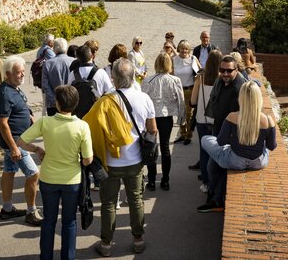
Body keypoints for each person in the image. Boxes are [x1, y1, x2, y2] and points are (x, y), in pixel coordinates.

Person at [84, 58, 156, 256]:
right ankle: (138, 240)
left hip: (110, 162)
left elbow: (88, 126)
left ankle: (106, 244)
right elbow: (152, 130)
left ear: (113, 79)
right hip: (135, 161)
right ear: (133, 77)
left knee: (108, 203)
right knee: (136, 200)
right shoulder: (145, 99)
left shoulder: (105, 101)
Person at [18, 85, 93, 260]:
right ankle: (68, 257)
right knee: (69, 221)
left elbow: (21, 141)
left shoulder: (45, 122)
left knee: (49, 220)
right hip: (72, 181)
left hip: (48, 178)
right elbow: (88, 159)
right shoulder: (82, 126)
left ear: (57, 104)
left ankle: (46, 257)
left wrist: (37, 149)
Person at [198, 81, 276, 213]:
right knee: (262, 148)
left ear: (241, 98)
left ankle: (212, 191)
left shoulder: (232, 117)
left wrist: (235, 138)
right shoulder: (268, 120)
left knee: (206, 139)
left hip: (234, 160)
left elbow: (221, 141)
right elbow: (271, 146)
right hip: (258, 162)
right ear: (259, 98)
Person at [0, 56, 43, 226]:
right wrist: (14, 147)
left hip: (17, 140)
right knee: (33, 174)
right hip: (15, 142)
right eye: (18, 72)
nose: (22, 75)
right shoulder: (4, 93)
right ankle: (31, 212)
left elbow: (17, 107)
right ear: (8, 74)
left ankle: (7, 209)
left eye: (23, 71)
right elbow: (2, 123)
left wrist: (27, 115)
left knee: (9, 170)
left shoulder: (13, 88)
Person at [140, 52, 184, 191]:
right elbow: (181, 100)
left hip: (151, 117)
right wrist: (182, 118)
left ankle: (152, 180)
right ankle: (165, 180)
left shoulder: (148, 80)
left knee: (151, 147)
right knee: (165, 147)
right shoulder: (174, 80)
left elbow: (142, 99)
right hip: (166, 117)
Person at [190, 49, 222, 189]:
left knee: (204, 151)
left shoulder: (200, 78)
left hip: (202, 119)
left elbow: (193, 101)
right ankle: (216, 181)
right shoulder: (222, 79)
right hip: (217, 120)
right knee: (217, 150)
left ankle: (206, 183)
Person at [173, 39, 200, 145]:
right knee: (180, 113)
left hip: (190, 90)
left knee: (189, 114)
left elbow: (200, 70)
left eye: (186, 49)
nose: (184, 51)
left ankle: (189, 135)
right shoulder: (174, 59)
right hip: (178, 91)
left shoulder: (193, 59)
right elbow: (170, 72)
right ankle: (182, 133)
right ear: (179, 49)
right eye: (182, 48)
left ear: (189, 50)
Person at [42, 38, 76, 116]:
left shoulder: (48, 64)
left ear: (54, 49)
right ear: (66, 48)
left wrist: (54, 100)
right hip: (70, 102)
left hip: (53, 105)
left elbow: (45, 85)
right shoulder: (74, 61)